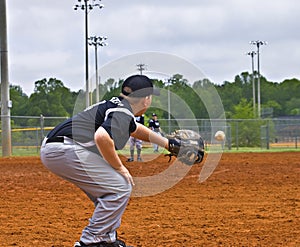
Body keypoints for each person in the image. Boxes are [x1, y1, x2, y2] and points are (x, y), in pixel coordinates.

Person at [40, 75, 169, 247]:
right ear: (146, 99)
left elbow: (135, 128)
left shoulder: (120, 107)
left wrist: (167, 143)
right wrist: (120, 167)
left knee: (109, 191)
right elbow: (102, 137)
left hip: (60, 147)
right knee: (120, 186)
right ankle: (91, 240)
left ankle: (106, 239)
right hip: (65, 149)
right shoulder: (122, 111)